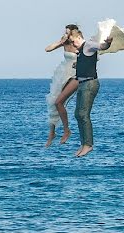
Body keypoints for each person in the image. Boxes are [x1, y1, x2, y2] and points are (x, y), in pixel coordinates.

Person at [69, 28, 112, 157]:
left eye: (72, 42)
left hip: (89, 84)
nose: (72, 44)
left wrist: (108, 43)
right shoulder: (81, 50)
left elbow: (102, 46)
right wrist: (78, 65)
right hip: (82, 84)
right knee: (78, 114)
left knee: (83, 114)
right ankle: (83, 144)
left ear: (78, 37)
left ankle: (88, 145)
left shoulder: (88, 44)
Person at [44, 24, 80, 147]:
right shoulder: (64, 42)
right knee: (54, 101)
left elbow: (91, 57)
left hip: (76, 75)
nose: (66, 35)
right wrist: (61, 41)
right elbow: (47, 49)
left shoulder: (79, 43)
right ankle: (52, 133)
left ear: (73, 33)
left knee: (59, 102)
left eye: (68, 33)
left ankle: (66, 130)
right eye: (65, 32)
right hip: (63, 72)